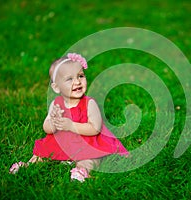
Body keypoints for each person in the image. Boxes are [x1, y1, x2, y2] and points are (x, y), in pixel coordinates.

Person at [9, 53, 128, 182]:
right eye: (69, 79)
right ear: (56, 87)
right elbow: (47, 127)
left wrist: (71, 125)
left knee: (89, 158)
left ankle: (82, 171)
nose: (77, 82)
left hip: (86, 141)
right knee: (42, 153)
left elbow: (95, 128)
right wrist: (54, 122)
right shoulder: (56, 104)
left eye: (80, 76)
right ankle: (28, 166)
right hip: (62, 140)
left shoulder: (89, 103)